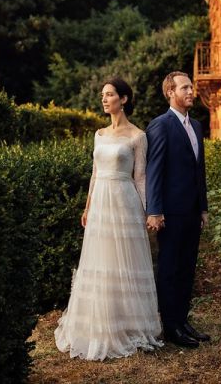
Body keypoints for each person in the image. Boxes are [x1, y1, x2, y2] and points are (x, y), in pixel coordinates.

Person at [54, 77, 162, 360]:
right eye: (103, 95)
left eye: (110, 94)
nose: (104, 99)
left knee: (122, 261)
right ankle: (98, 323)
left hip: (124, 203)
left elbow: (140, 177)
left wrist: (147, 210)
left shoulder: (138, 136)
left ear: (123, 99)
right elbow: (94, 173)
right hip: (100, 202)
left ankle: (127, 325)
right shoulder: (99, 134)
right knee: (101, 259)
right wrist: (87, 207)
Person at [145, 71, 211, 349]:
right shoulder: (160, 125)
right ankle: (170, 326)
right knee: (170, 269)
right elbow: (154, 171)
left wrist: (204, 208)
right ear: (170, 92)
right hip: (170, 213)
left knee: (187, 268)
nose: (191, 91)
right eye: (185, 87)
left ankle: (183, 321)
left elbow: (200, 171)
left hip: (192, 211)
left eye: (191, 87)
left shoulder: (195, 125)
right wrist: (155, 210)